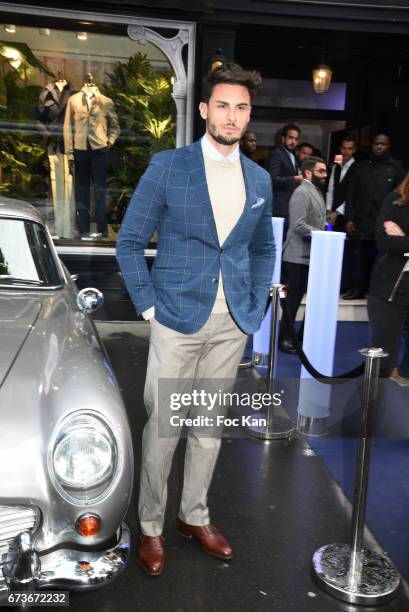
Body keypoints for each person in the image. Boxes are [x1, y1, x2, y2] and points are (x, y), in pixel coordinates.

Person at [116, 62, 275, 576]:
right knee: (163, 429)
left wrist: (253, 303)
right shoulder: (169, 166)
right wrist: (149, 305)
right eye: (223, 106)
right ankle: (151, 527)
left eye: (242, 108)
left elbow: (261, 247)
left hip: (232, 323)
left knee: (207, 428)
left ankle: (193, 515)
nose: (232, 116)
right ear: (205, 110)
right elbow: (130, 242)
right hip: (176, 318)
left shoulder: (260, 177)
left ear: (250, 116)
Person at [344, 134, 406, 299]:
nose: (379, 147)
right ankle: (357, 289)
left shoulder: (397, 168)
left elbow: (402, 197)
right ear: (372, 145)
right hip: (362, 221)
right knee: (359, 258)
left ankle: (377, 292)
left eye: (383, 144)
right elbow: (351, 194)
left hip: (385, 224)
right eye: (376, 144)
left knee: (382, 260)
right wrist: (349, 218)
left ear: (388, 146)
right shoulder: (362, 168)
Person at [279, 156, 327, 353]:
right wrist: (322, 235)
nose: (325, 175)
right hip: (297, 256)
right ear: (308, 172)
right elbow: (298, 225)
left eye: (325, 171)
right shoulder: (301, 192)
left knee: (303, 299)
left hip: (310, 255)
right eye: (321, 171)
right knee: (293, 301)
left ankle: (299, 338)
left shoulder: (314, 191)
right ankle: (285, 340)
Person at [367, 173, 409, 378]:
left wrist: (404, 239)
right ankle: (367, 410)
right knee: (382, 364)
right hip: (390, 293)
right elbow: (384, 242)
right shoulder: (395, 200)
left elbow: (397, 245)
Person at [326, 137, 358, 294]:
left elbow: (353, 195)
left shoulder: (357, 168)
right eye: (344, 148)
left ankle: (344, 285)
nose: (346, 151)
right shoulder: (335, 167)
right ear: (341, 148)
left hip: (346, 216)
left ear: (354, 150)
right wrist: (328, 211)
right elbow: (331, 190)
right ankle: (331, 283)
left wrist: (337, 213)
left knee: (346, 253)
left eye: (350, 148)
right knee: (332, 250)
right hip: (331, 215)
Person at [266, 123, 303, 231]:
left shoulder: (292, 155)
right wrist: (295, 179)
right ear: (283, 138)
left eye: (296, 139)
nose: (293, 142)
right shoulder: (277, 153)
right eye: (290, 138)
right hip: (279, 208)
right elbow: (273, 179)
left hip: (289, 207)